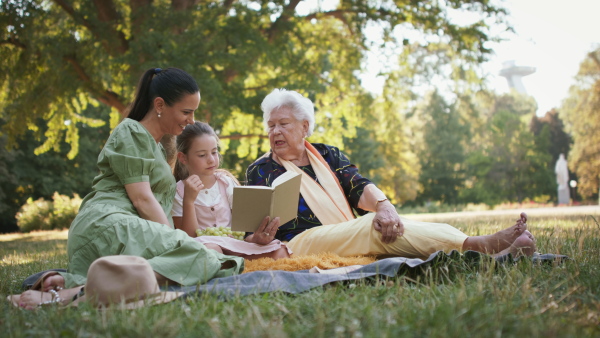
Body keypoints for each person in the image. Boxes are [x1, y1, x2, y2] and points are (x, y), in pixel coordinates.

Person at [9, 68, 257, 309]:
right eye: (186, 111)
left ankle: (69, 283)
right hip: (108, 223)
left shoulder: (158, 148)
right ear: (159, 105)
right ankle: (74, 294)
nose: (191, 120)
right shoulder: (131, 131)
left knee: (209, 256)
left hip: (129, 229)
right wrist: (175, 241)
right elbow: (142, 199)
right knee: (202, 256)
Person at [244, 88, 537, 259]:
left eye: (283, 123)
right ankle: (473, 246)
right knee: (372, 226)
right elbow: (250, 230)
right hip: (298, 243)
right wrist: (256, 237)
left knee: (388, 226)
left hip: (348, 232)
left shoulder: (328, 154)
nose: (275, 131)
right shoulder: (260, 169)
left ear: (305, 127)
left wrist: (385, 206)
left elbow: (358, 186)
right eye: (271, 126)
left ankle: (485, 249)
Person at [171, 121, 290, 259]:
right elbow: (189, 239)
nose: (211, 160)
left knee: (280, 249)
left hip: (234, 245)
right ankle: (231, 271)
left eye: (214, 152)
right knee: (212, 252)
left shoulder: (225, 183)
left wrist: (256, 238)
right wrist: (189, 201)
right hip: (205, 248)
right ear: (183, 158)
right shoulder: (178, 192)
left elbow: (243, 234)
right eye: (202, 155)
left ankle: (237, 267)